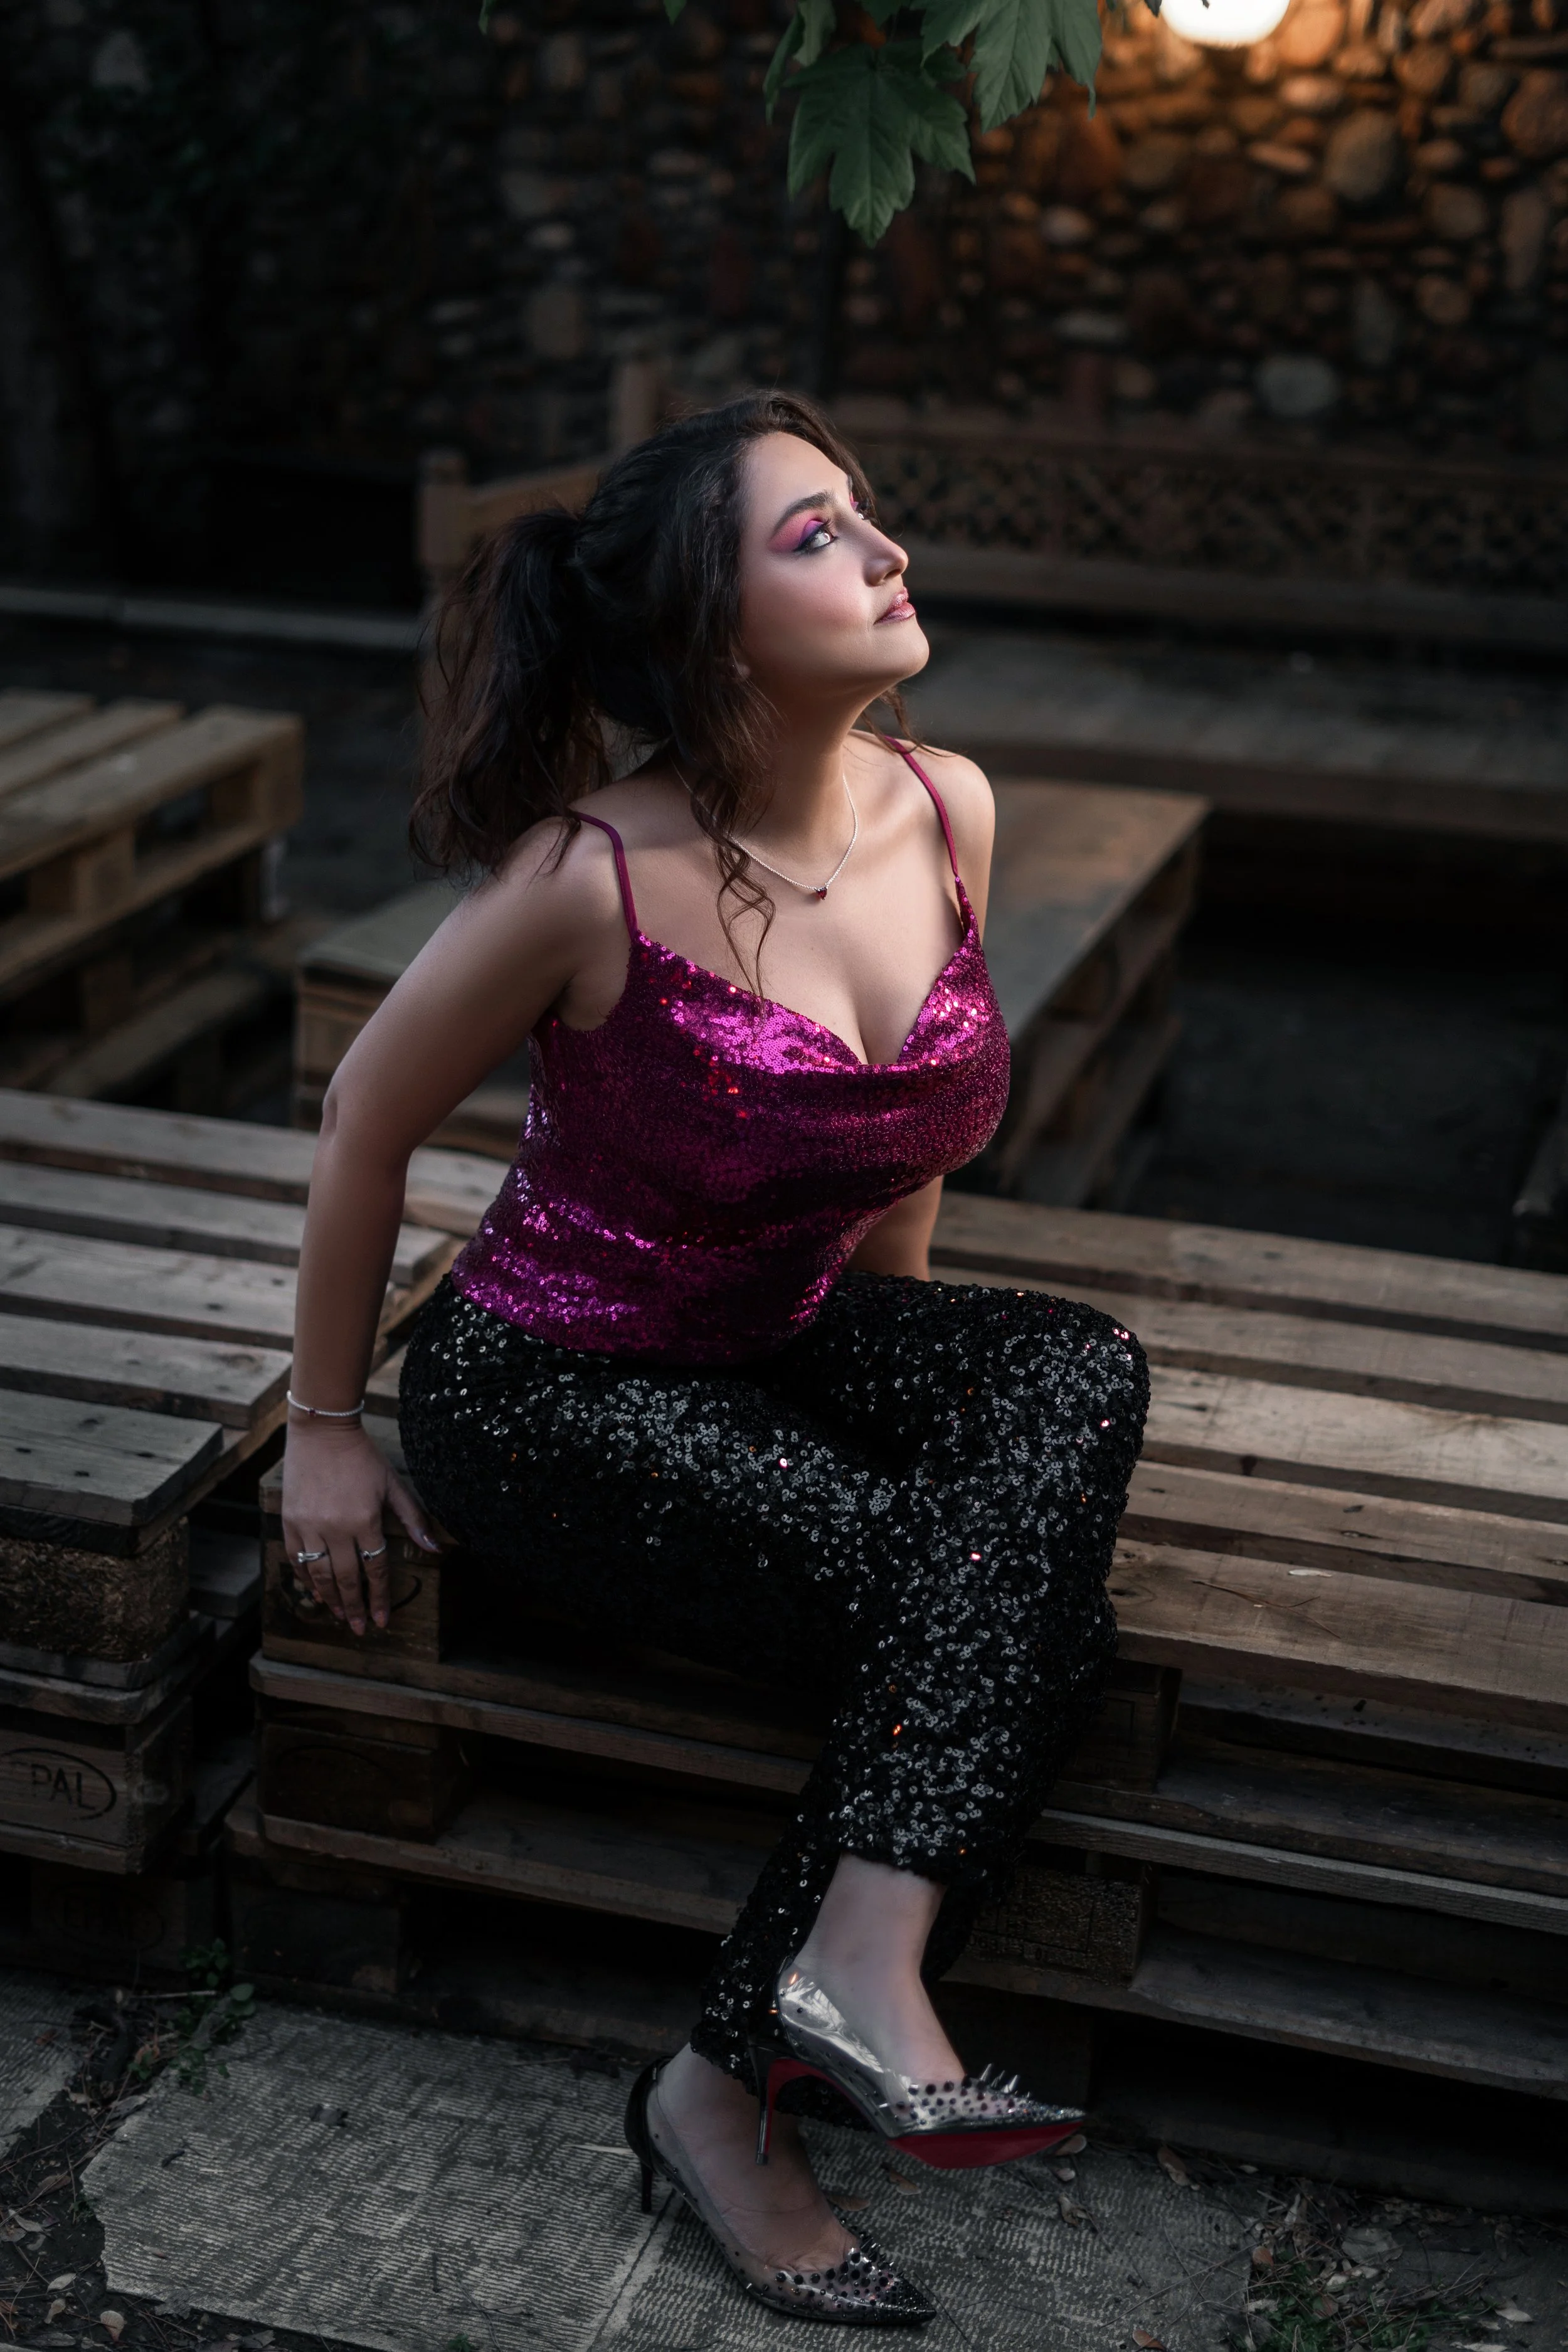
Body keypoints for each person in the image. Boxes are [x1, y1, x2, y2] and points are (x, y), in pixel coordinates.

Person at [281, 391, 1148, 2328]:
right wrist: (326, 1431)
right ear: (706, 621)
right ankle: (731, 2089)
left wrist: (898, 1374)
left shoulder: (950, 807)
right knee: (1017, 1629)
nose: (883, 548)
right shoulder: (585, 874)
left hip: (789, 1336)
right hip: (558, 1393)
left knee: (1074, 1366)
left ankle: (809, 1990)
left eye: (866, 513)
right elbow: (360, 1113)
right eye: (816, 533)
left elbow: (900, 1144)